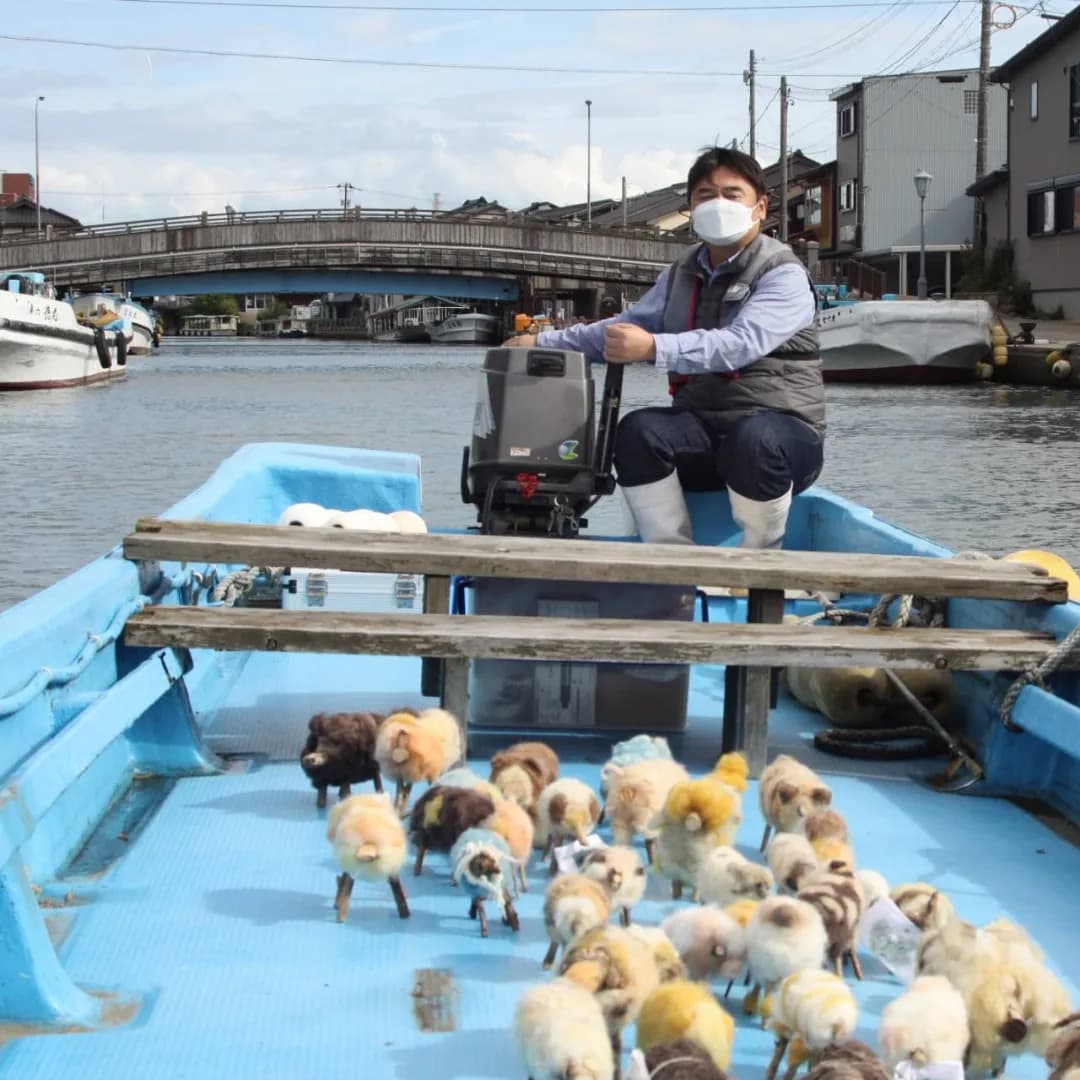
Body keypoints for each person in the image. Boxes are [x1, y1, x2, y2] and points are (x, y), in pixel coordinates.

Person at [503, 146, 824, 549]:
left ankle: (760, 556)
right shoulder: (680, 273)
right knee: (638, 432)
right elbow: (624, 330)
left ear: (759, 208)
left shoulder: (783, 274)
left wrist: (654, 348)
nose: (718, 203)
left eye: (732, 193)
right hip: (705, 433)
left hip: (784, 437)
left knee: (754, 439)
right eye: (706, 195)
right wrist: (540, 342)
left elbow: (740, 344)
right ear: (691, 208)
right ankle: (668, 554)